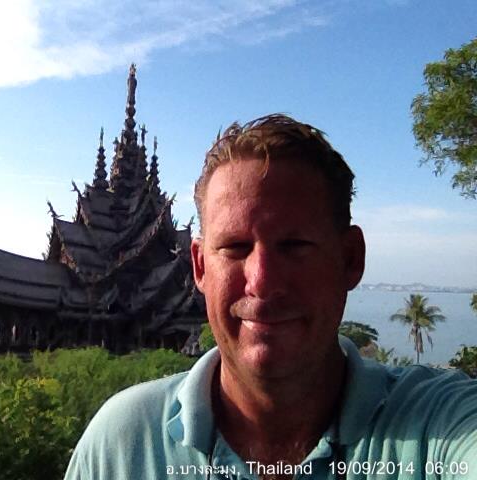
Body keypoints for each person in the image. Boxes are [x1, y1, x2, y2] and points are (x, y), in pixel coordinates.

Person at [64, 114, 477, 479]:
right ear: (200, 267)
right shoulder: (122, 445)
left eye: (295, 244)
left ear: (350, 259)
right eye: (235, 247)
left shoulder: (439, 429)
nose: (261, 281)